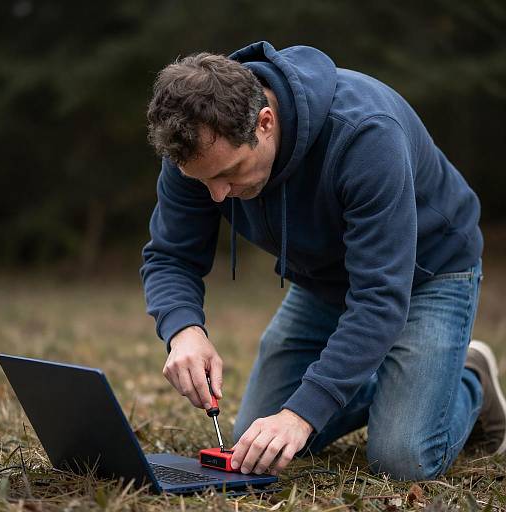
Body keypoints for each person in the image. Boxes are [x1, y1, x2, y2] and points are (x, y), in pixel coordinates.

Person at [140, 41, 506, 480]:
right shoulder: (195, 150)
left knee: (401, 459)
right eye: (204, 182)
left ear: (265, 122)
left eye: (228, 174)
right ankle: (395, 384)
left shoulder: (365, 135)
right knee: (254, 445)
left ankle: (470, 380)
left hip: (427, 271)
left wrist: (301, 415)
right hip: (325, 279)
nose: (217, 195)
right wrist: (184, 330)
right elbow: (169, 256)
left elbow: (379, 298)